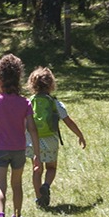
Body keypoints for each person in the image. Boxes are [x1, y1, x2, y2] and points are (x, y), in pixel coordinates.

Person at [0, 53, 41, 217]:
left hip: (0, 149)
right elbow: (32, 129)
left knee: (0, 185)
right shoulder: (24, 103)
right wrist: (37, 154)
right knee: (16, 184)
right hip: (18, 150)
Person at [25, 66, 87, 208]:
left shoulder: (29, 102)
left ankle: (39, 198)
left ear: (32, 84)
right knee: (51, 168)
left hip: (32, 141)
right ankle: (46, 185)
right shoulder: (54, 102)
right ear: (52, 84)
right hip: (50, 140)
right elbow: (67, 120)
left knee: (36, 169)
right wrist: (80, 135)